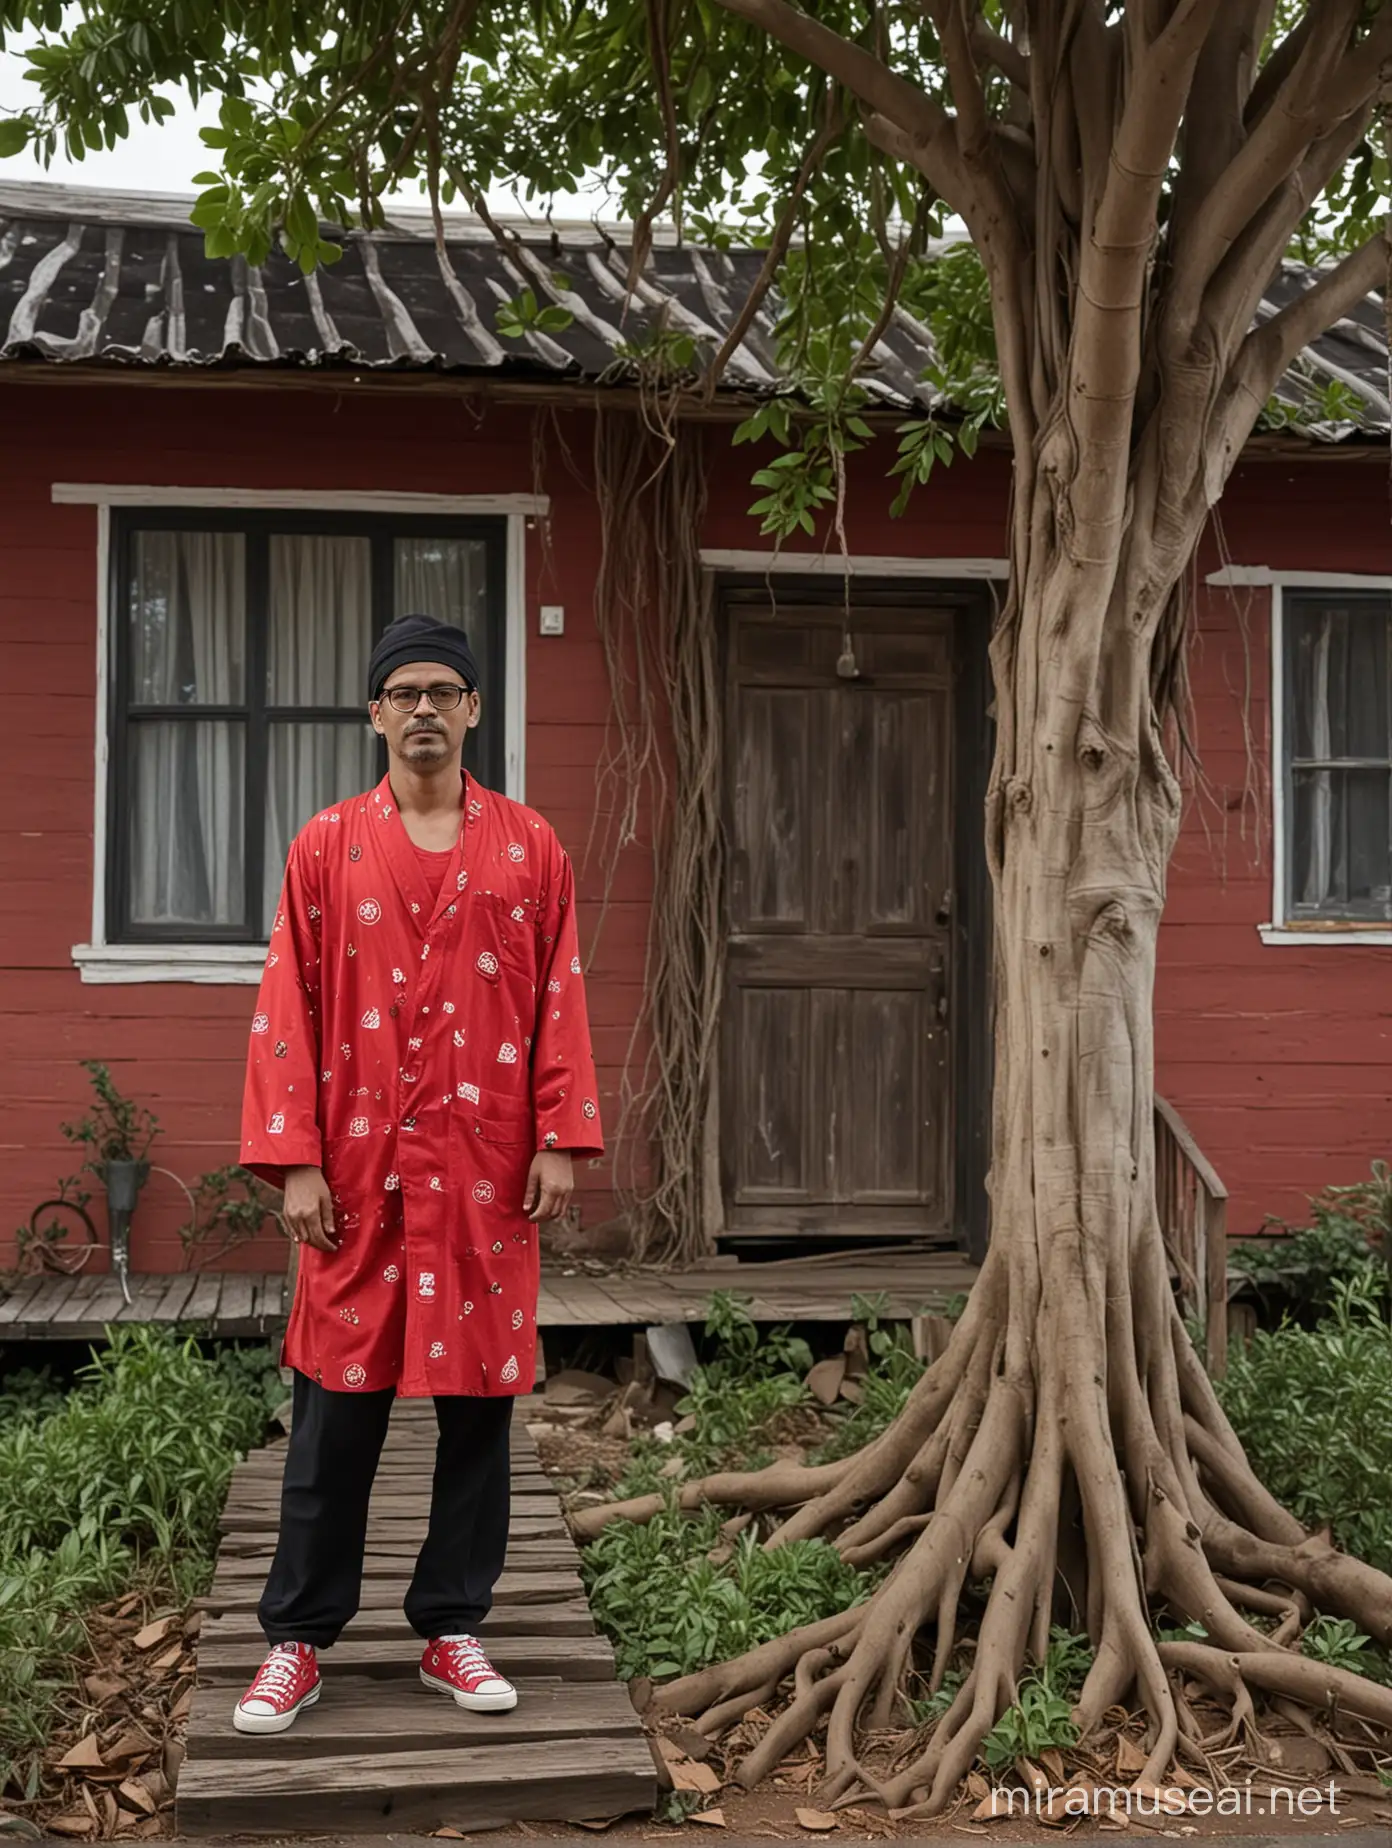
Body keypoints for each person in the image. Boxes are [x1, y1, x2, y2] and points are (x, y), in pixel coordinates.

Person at [231, 613, 603, 1735]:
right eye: (406, 692)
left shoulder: (531, 846)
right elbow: (286, 1001)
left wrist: (557, 1135)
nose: (427, 708)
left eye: (446, 689)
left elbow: (559, 998)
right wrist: (293, 1157)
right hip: (356, 1172)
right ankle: (298, 1638)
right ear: (376, 713)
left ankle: (452, 1626)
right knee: (333, 1417)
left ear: (475, 709)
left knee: (479, 1416)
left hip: (483, 1173)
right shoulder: (327, 845)